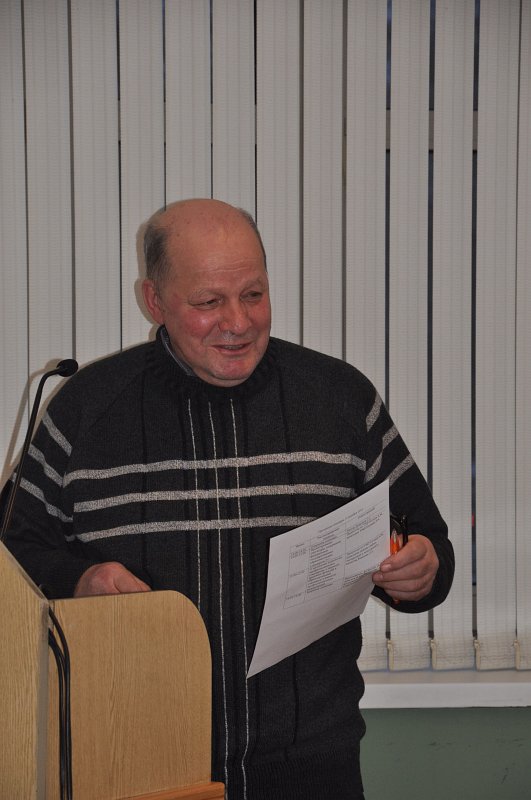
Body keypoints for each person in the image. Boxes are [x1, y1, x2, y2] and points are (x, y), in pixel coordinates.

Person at [3, 198, 454, 800]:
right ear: (154, 301)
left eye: (253, 295)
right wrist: (79, 580)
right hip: (133, 766)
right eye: (208, 302)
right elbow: (14, 558)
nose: (238, 322)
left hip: (312, 770)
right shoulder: (85, 409)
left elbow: (427, 545)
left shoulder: (341, 400)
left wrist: (420, 570)